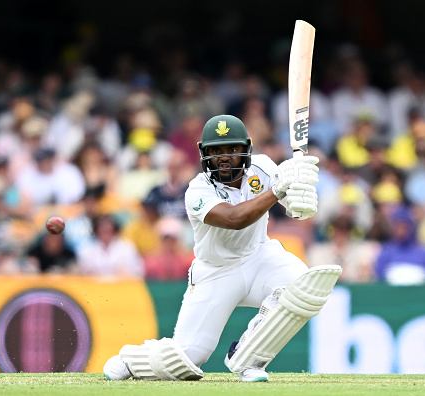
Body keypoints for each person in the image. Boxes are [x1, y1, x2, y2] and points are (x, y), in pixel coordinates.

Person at [102, 115, 341, 382]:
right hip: (215, 272)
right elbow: (234, 219)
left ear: (246, 149)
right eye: (216, 151)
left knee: (303, 286)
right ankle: (131, 360)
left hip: (260, 257)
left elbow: (295, 211)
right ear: (205, 154)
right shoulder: (197, 190)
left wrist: (301, 193)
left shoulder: (263, 168)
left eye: (231, 149)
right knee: (186, 359)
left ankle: (249, 358)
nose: (223, 157)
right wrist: (276, 191)